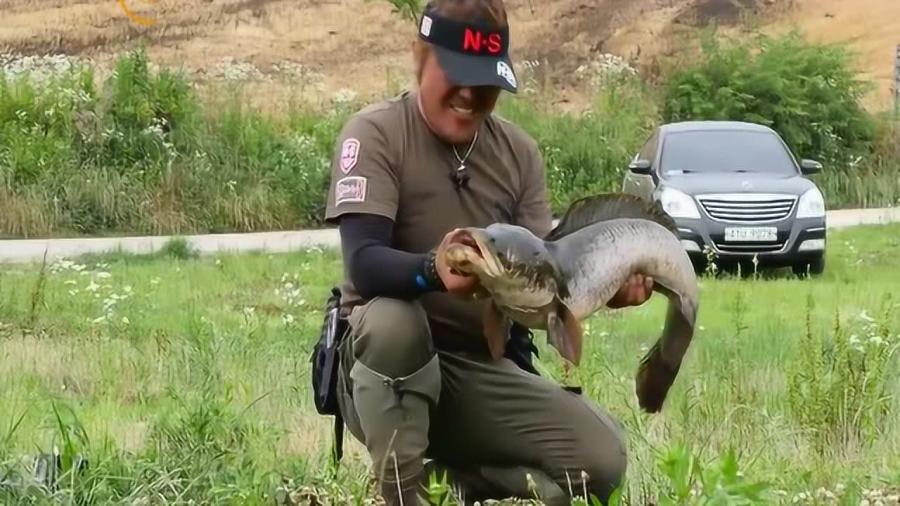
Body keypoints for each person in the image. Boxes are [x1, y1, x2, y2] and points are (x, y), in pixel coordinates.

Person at [322, 0, 654, 503]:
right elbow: (364, 264)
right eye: (457, 74)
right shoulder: (375, 134)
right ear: (419, 55)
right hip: (379, 369)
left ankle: (454, 483)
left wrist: (606, 289)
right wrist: (432, 271)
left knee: (601, 460)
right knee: (395, 322)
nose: (471, 94)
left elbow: (544, 284)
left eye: (488, 81)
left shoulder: (519, 155)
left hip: (477, 367)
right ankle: (400, 492)